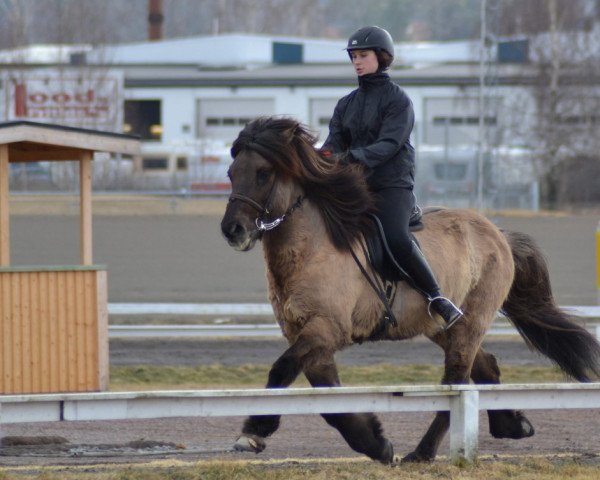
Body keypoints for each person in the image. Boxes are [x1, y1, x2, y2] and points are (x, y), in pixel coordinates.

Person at [322, 25, 463, 329]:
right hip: (355, 185)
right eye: (353, 56)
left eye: (363, 55)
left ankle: (437, 297)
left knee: (397, 238)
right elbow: (335, 142)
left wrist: (351, 158)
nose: (357, 61)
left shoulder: (398, 100)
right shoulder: (345, 104)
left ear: (382, 57)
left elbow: (388, 145)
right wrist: (322, 157)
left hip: (391, 184)